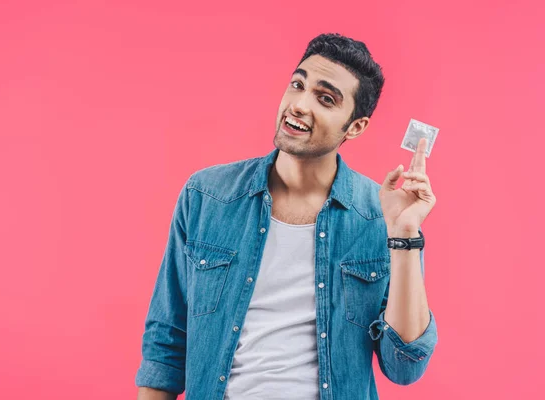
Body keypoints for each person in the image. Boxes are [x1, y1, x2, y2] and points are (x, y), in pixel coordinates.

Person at [135, 33, 438, 400]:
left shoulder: (382, 216)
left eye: (325, 99)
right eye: (298, 85)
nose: (298, 104)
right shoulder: (208, 196)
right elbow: (166, 342)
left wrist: (404, 235)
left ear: (355, 127)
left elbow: (404, 366)